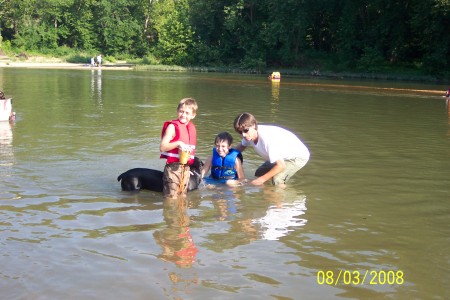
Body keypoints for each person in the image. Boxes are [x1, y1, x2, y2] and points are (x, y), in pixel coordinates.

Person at [233, 112, 310, 187]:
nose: (243, 134)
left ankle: (284, 197)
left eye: (246, 130)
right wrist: (224, 155)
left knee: (277, 179)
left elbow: (281, 166)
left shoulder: (267, 139)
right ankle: (267, 192)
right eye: (240, 132)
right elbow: (240, 147)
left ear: (253, 125)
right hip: (282, 155)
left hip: (297, 157)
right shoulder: (249, 135)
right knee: (260, 173)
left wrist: (261, 180)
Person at [160, 98, 198, 198]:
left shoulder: (191, 128)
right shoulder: (172, 127)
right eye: (181, 111)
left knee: (183, 197)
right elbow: (162, 147)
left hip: (185, 169)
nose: (183, 115)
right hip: (173, 169)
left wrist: (187, 168)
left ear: (193, 115)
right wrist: (178, 143)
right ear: (177, 111)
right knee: (172, 199)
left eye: (187, 113)